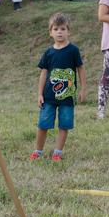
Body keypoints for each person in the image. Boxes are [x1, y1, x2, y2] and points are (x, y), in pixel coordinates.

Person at [34, 12, 86, 161]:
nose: (60, 32)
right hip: (49, 96)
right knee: (43, 124)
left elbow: (81, 69)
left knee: (64, 124)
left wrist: (83, 89)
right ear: (50, 32)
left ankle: (58, 152)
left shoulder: (73, 51)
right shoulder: (48, 53)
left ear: (68, 31)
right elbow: (43, 74)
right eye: (56, 29)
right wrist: (40, 94)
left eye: (63, 29)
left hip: (67, 96)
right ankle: (38, 151)